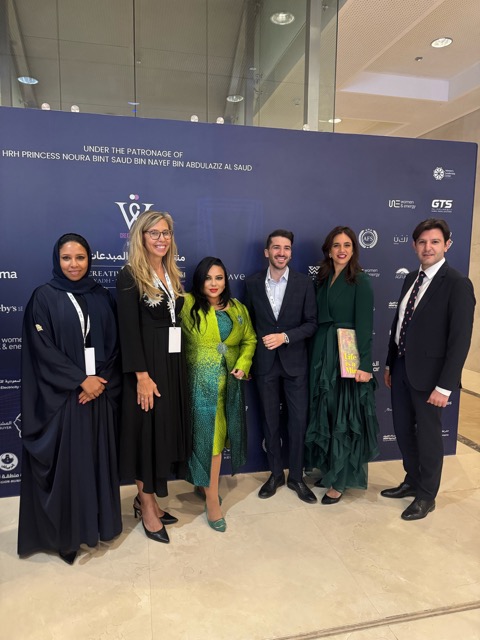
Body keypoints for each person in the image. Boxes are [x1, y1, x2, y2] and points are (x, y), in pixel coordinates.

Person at [18, 233, 122, 564]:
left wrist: (99, 382)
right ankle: (67, 536)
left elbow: (116, 343)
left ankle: (97, 526)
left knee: (95, 463)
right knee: (69, 468)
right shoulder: (44, 297)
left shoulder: (101, 295)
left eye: (80, 257)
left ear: (89, 259)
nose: (74, 264)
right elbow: (42, 349)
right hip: (66, 399)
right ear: (57, 260)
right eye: (66, 258)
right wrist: (80, 381)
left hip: (98, 396)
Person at [382, 218, 475, 521]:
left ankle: (426, 495)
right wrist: (389, 363)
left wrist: (445, 386)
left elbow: (459, 340)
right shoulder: (411, 278)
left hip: (431, 378)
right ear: (414, 246)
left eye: (435, 242)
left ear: (447, 245)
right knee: (402, 430)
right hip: (401, 369)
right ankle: (412, 480)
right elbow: (400, 324)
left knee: (429, 438)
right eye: (422, 242)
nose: (428, 247)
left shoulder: (457, 284)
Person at [116, 211, 191, 544]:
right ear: (141, 237)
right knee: (146, 436)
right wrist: (142, 376)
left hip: (171, 364)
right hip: (147, 368)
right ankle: (146, 505)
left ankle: (150, 500)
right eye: (154, 233)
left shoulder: (171, 272)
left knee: (162, 434)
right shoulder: (130, 275)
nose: (162, 239)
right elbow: (128, 331)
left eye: (166, 233)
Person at [304, 226, 379, 504]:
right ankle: (330, 469)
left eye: (347, 245)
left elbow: (365, 326)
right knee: (326, 412)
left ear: (354, 249)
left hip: (346, 355)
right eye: (336, 245)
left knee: (344, 418)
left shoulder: (361, 281)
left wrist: (364, 365)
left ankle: (341, 480)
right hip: (322, 353)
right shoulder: (323, 279)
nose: (342, 250)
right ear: (328, 250)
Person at [180, 257, 256, 532]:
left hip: (230, 389)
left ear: (226, 280)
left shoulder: (237, 308)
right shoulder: (186, 304)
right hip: (198, 388)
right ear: (199, 281)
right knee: (208, 440)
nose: (214, 284)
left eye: (219, 278)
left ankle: (206, 487)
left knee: (219, 439)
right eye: (208, 278)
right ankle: (212, 500)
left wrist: (243, 363)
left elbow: (249, 339)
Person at [245, 229, 318, 503]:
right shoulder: (252, 283)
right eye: (276, 247)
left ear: (291, 253)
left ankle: (296, 477)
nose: (281, 252)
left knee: (297, 423)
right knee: (269, 421)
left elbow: (311, 324)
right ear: (267, 252)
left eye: (286, 248)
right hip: (264, 365)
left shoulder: (304, 283)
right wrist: (247, 361)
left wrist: (285, 337)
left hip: (295, 365)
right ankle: (275, 474)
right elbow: (249, 326)